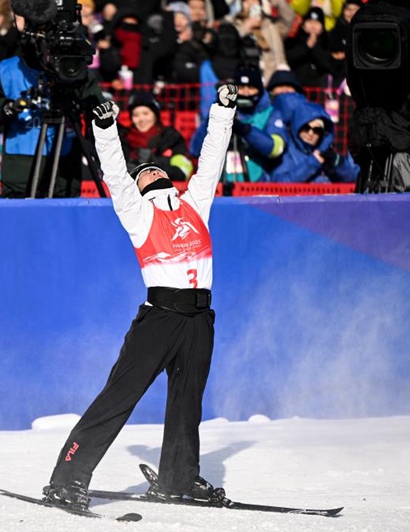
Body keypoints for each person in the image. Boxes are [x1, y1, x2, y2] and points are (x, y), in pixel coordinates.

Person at [42, 83, 238, 512]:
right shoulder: (137, 211)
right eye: (141, 171)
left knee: (188, 405)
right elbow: (114, 171)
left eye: (152, 168)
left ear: (167, 175)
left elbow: (211, 161)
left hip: (200, 318)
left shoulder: (195, 203)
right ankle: (66, 480)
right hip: (160, 317)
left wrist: (223, 111)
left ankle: (177, 480)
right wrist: (105, 126)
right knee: (119, 397)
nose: (147, 169)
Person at [0, 10, 106, 198]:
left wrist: (90, 108)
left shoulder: (74, 69)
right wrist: (11, 107)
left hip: (64, 177)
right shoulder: (8, 69)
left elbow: (98, 110)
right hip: (20, 177)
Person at [191, 64, 285, 182]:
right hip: (220, 183)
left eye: (251, 87)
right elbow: (195, 150)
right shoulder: (220, 111)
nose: (245, 92)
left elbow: (275, 149)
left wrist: (245, 130)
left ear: (259, 90)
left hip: (256, 184)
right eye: (241, 87)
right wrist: (216, 115)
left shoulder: (270, 113)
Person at [272, 100, 359, 183]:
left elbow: (352, 179)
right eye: (306, 128)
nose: (310, 133)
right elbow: (281, 182)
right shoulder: (286, 152)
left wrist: (338, 162)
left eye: (316, 130)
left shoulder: (327, 152)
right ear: (297, 127)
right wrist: (314, 162)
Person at [120, 91, 193, 181]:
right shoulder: (123, 139)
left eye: (146, 113)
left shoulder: (171, 137)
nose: (141, 119)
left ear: (155, 115)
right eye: (136, 115)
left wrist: (152, 163)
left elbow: (183, 172)